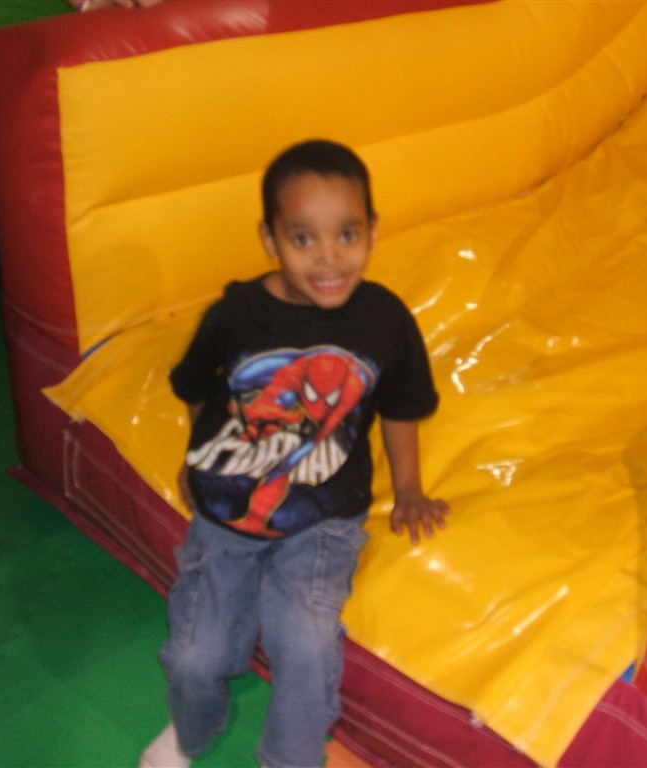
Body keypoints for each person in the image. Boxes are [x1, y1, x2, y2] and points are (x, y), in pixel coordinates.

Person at [141, 140, 450, 768]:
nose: (329, 256)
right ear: (270, 239)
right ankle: (194, 728)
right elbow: (197, 387)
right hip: (226, 512)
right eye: (303, 238)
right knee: (196, 654)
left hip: (323, 516)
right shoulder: (235, 314)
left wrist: (410, 488)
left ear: (373, 232)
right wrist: (199, 456)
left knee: (304, 643)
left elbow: (400, 406)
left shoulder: (385, 320)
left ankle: (293, 756)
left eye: (347, 234)